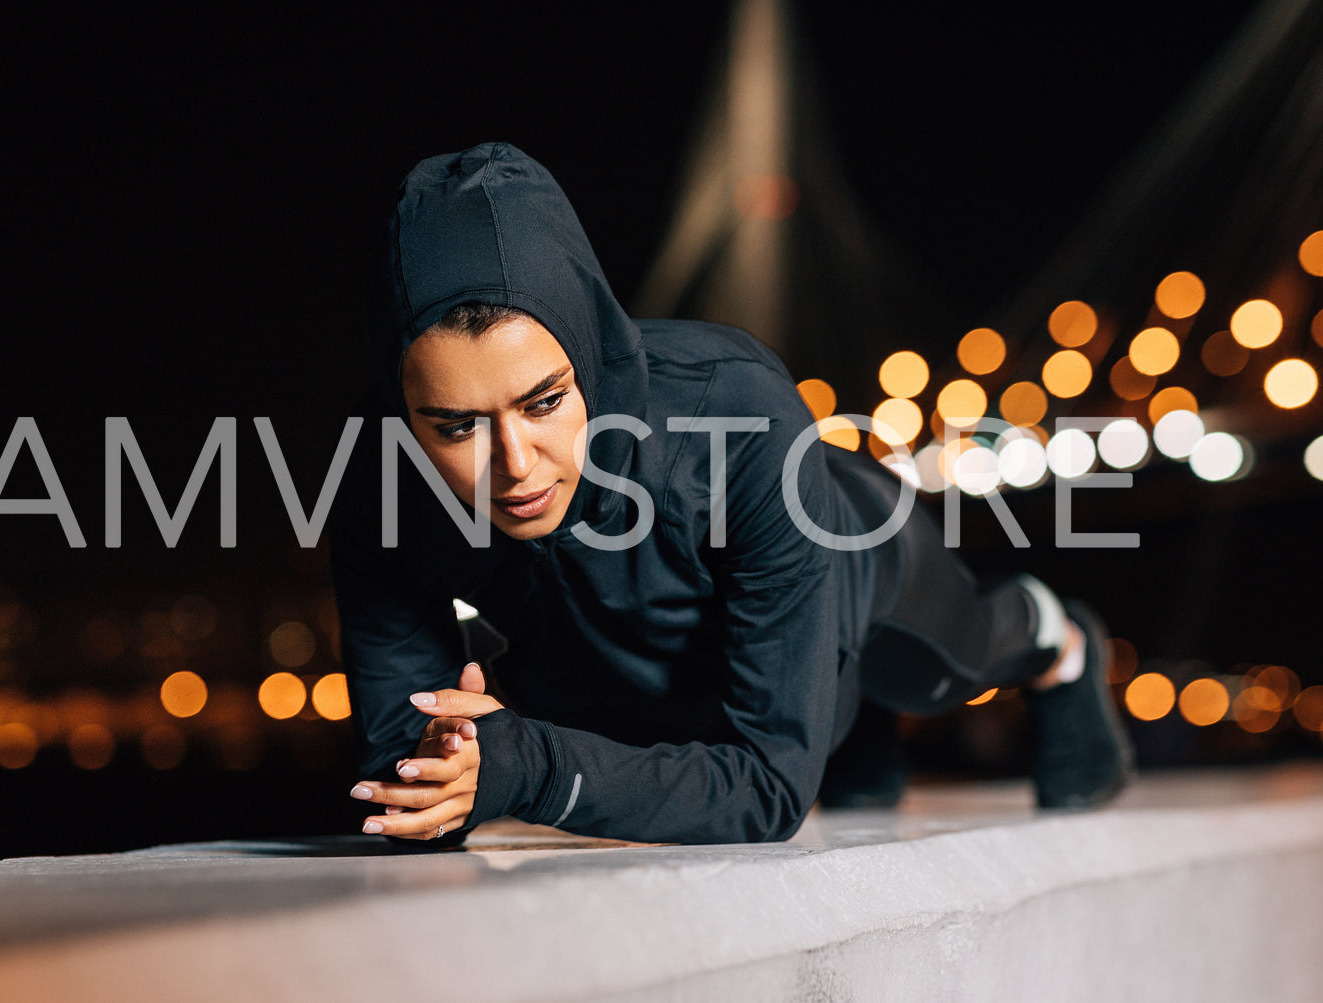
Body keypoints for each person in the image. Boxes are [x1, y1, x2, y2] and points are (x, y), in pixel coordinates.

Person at [329, 142, 1132, 845]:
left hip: (853, 562)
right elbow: (402, 776)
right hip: (628, 657)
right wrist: (446, 771)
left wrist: (531, 767)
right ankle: (851, 729)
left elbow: (770, 789)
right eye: (455, 426)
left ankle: (1054, 634)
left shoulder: (738, 414)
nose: (513, 464)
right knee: (604, 696)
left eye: (543, 403)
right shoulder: (377, 476)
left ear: (591, 357)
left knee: (941, 665)